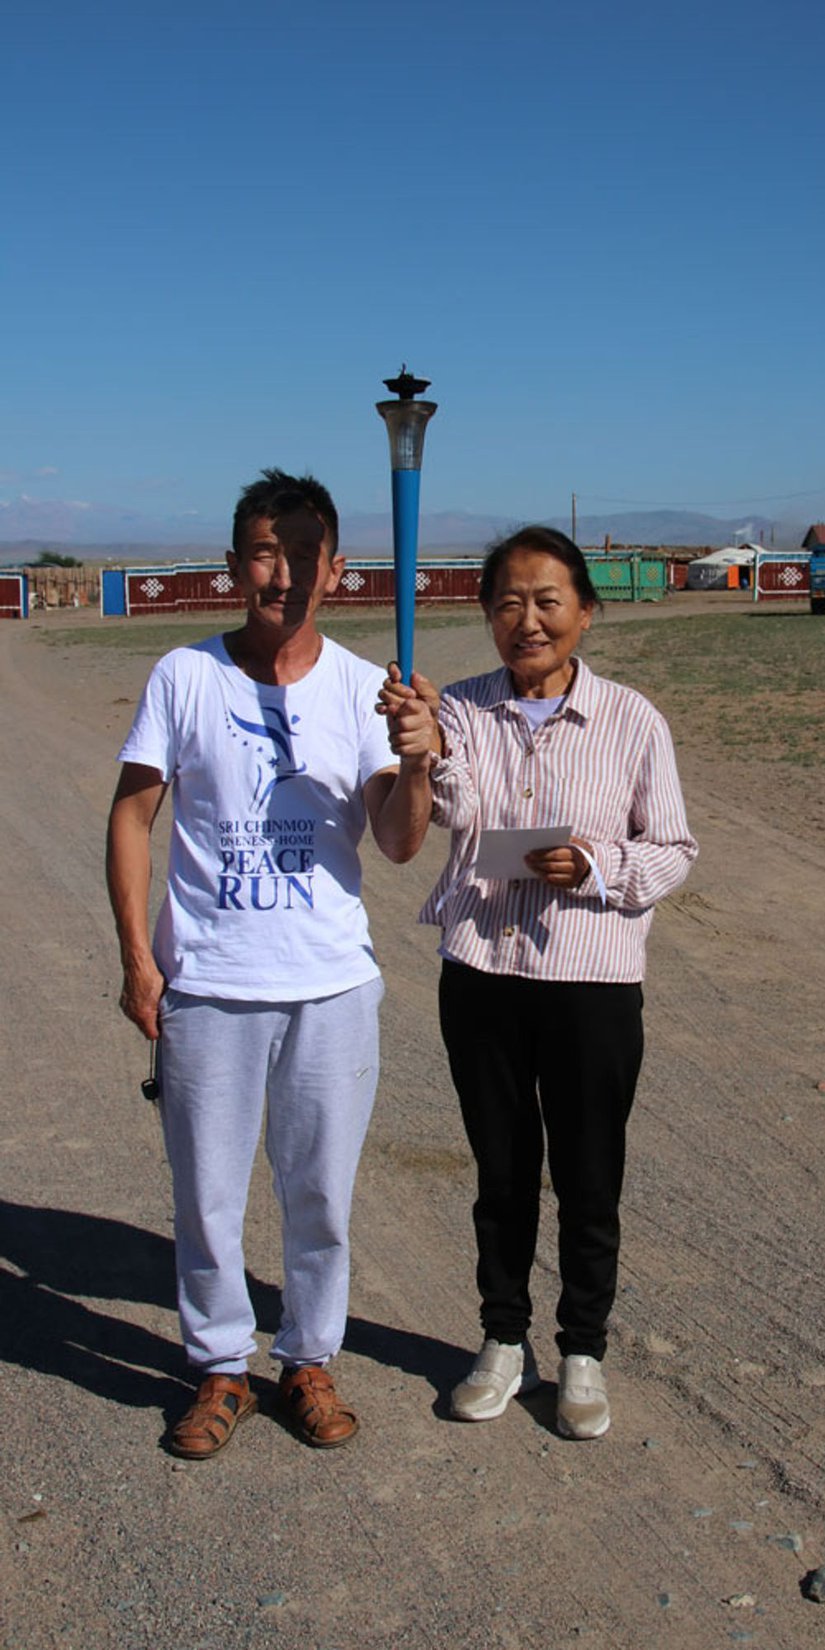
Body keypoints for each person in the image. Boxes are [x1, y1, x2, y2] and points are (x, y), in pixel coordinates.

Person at [106, 469, 437, 1459]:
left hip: (330, 985)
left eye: (301, 554)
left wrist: (419, 762)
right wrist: (137, 958)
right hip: (210, 985)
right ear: (232, 565)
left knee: (320, 1193)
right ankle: (218, 1367)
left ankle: (306, 1358)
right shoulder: (184, 676)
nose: (282, 572)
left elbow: (399, 842)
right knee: (206, 1196)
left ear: (335, 570)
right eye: (263, 552)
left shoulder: (362, 689)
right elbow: (132, 815)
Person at [385, 526, 697, 1439]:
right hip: (482, 974)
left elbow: (673, 847)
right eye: (508, 603)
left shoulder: (633, 721)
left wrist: (597, 865)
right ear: (487, 616)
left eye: (547, 601)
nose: (528, 620)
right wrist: (423, 747)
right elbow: (452, 809)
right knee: (502, 1172)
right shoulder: (463, 710)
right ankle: (503, 1340)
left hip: (591, 983)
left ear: (585, 612)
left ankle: (583, 1351)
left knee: (590, 1175)